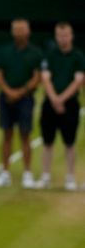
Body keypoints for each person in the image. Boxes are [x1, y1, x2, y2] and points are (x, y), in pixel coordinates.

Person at [0, 18, 42, 188]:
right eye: (16, 29)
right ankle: (5, 173)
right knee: (6, 135)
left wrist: (20, 92)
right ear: (12, 32)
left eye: (22, 29)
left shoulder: (35, 53)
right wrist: (9, 91)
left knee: (25, 135)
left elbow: (37, 78)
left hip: (26, 99)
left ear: (28, 32)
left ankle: (27, 173)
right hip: (6, 98)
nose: (19, 32)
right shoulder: (4, 51)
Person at [36, 22, 85, 191]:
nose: (63, 38)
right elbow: (45, 78)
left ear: (71, 36)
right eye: (59, 35)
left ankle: (70, 178)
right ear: (56, 36)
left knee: (70, 143)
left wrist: (61, 99)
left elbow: (78, 81)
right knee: (47, 142)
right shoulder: (49, 55)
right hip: (50, 104)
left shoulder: (78, 57)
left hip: (70, 105)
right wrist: (54, 99)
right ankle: (45, 176)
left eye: (65, 35)